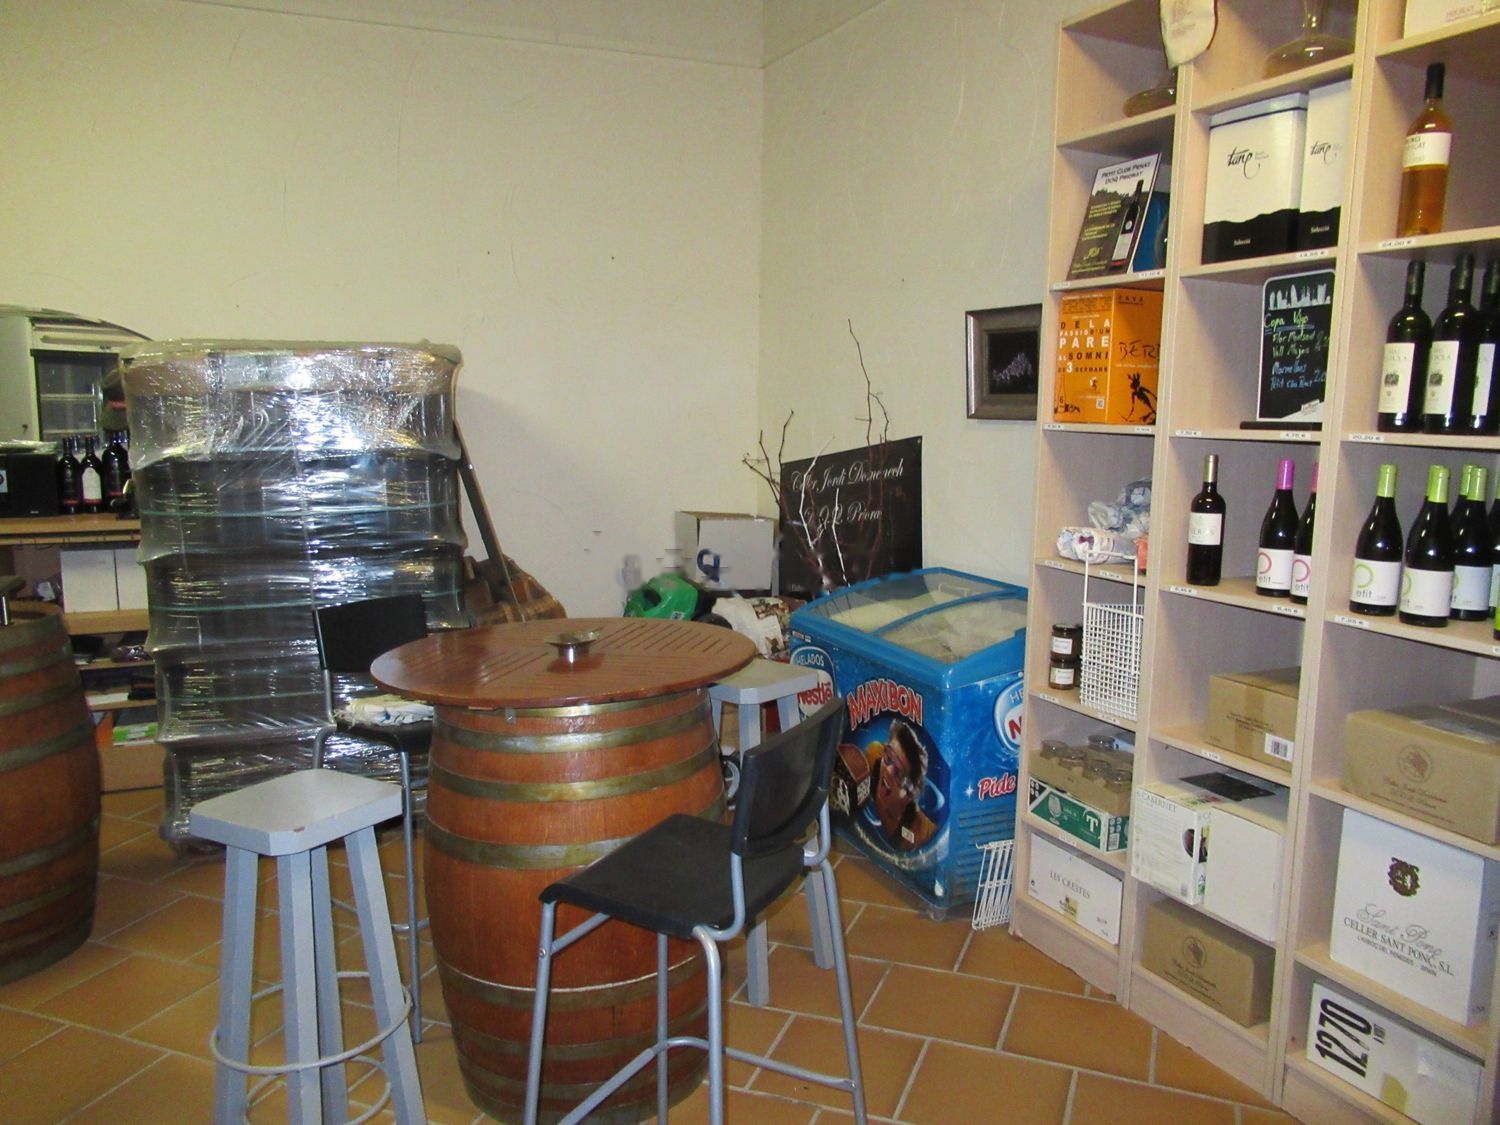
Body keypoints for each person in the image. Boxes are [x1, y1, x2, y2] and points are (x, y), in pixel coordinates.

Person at [873, 720, 936, 850]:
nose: (888, 770)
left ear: (910, 795)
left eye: (899, 774)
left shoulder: (922, 834)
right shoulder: (872, 757)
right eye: (888, 758)